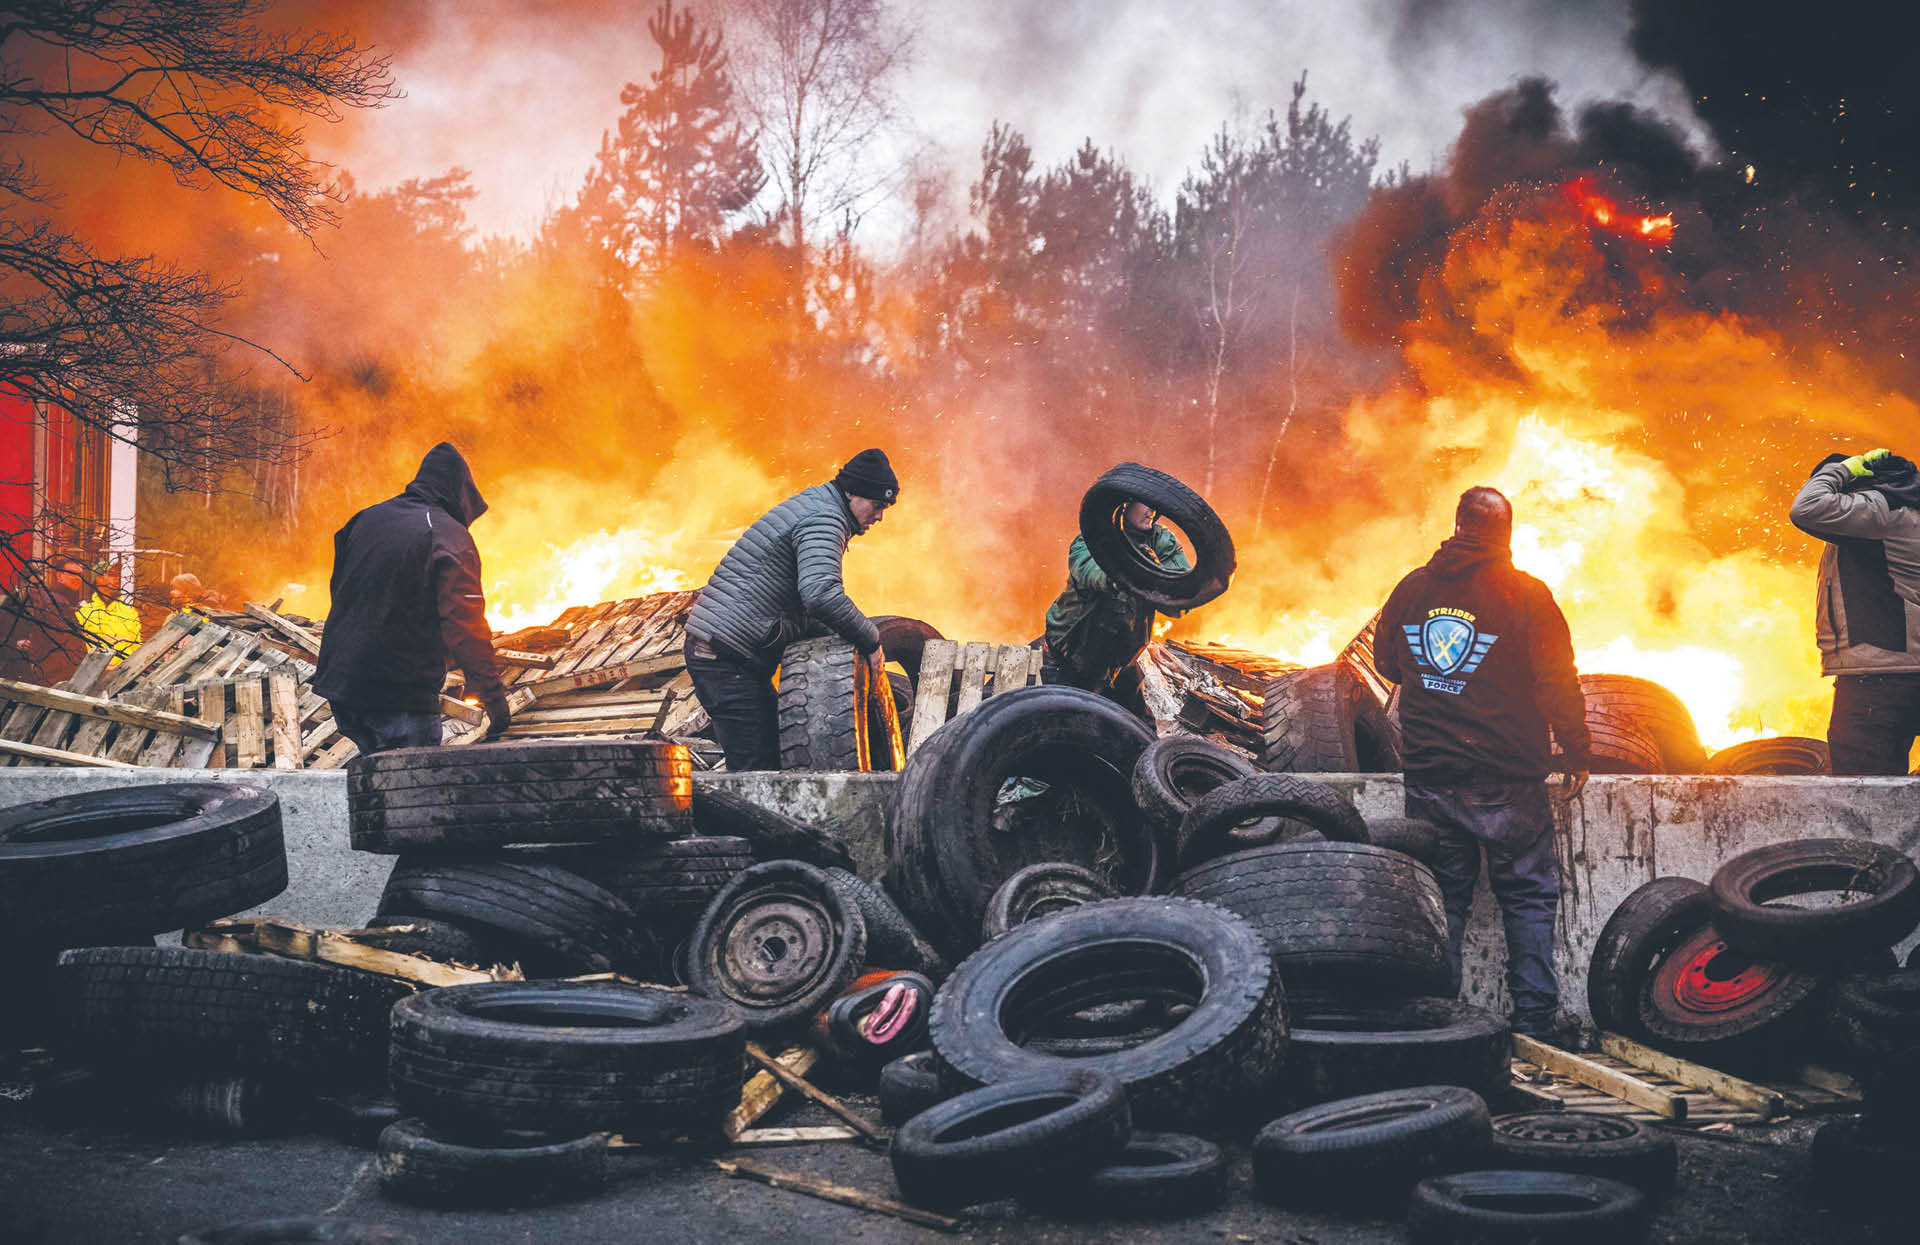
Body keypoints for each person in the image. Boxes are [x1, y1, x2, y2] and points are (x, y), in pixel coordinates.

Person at [1374, 486, 1590, 1043]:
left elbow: (1387, 665)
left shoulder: (1412, 588)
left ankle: (1437, 1025)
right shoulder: (1526, 595)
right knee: (1527, 895)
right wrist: (1576, 746)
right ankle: (1534, 1023)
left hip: (1429, 775)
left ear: (1458, 525)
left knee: (1444, 898)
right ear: (1506, 534)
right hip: (1507, 778)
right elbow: (1556, 683)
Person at [684, 449, 897, 771]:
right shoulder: (825, 518)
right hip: (722, 657)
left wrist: (841, 631)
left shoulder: (819, 506)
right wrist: (870, 640)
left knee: (770, 760)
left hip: (728, 654)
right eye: (877, 505)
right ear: (852, 492)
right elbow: (821, 594)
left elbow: (806, 602)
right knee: (755, 773)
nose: (879, 516)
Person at [313, 443, 509, 756]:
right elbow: (465, 626)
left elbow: (342, 593)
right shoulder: (447, 535)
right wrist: (494, 700)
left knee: (376, 782)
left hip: (343, 690)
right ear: (460, 492)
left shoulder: (366, 519)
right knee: (413, 790)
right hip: (400, 696)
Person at [1788, 447, 1920, 775]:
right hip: (1899, 672)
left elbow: (1807, 508)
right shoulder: (1905, 511)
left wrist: (1843, 468)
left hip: (1879, 679)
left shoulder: (1884, 511)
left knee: (1865, 801)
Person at [1041, 500, 1189, 715]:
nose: (1151, 511)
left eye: (1154, 505)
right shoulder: (1094, 536)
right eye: (1144, 504)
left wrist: (1156, 573)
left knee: (1128, 722)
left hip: (1123, 653)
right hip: (1074, 649)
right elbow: (1086, 569)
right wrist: (1117, 576)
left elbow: (1182, 592)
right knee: (1067, 716)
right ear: (1125, 505)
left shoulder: (1161, 541)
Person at [75, 561, 142, 661]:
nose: (117, 578)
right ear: (98, 579)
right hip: (91, 672)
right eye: (111, 575)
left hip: (122, 672)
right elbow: (77, 646)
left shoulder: (129, 611)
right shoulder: (83, 610)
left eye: (117, 575)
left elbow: (136, 646)